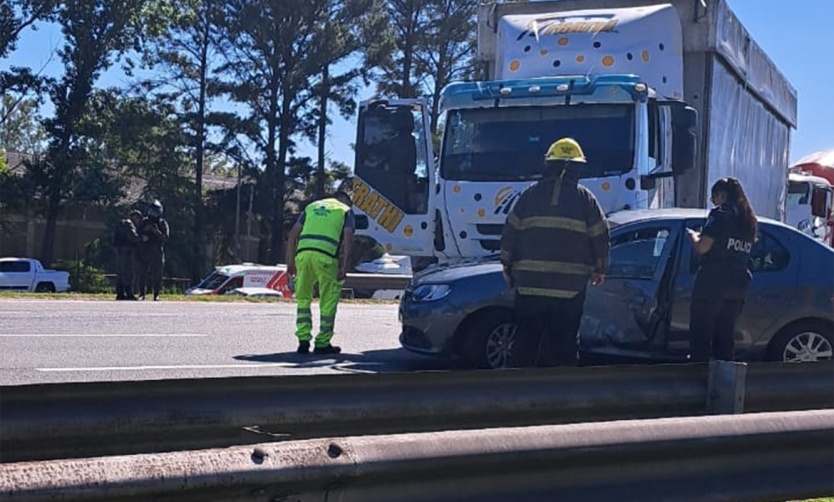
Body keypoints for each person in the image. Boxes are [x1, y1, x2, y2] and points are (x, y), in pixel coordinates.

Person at [500, 138, 610, 367]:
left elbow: (510, 234)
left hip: (529, 287)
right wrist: (600, 268)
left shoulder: (529, 196)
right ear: (578, 168)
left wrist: (507, 266)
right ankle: (561, 397)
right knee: (563, 348)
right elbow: (600, 236)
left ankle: (516, 395)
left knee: (524, 346)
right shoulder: (585, 199)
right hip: (569, 291)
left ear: (548, 164)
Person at [686, 177, 757, 362]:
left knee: (701, 335)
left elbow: (703, 247)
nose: (713, 202)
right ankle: (726, 382)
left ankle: (698, 379)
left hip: (713, 281)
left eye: (713, 197)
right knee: (725, 337)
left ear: (721, 195)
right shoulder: (748, 220)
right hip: (738, 284)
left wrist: (694, 236)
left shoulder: (720, 214)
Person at [286, 191, 355, 354]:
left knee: (303, 299)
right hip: (326, 258)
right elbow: (348, 238)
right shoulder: (345, 210)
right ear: (344, 200)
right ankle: (322, 342)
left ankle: (303, 341)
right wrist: (344, 266)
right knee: (328, 301)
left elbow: (292, 235)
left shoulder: (311, 207)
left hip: (303, 255)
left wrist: (290, 261)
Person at [137, 200, 170, 302]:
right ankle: (142, 293)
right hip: (144, 251)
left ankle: (156, 294)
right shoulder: (144, 222)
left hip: (157, 251)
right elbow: (136, 235)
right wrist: (143, 234)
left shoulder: (162, 223)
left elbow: (165, 238)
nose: (153, 213)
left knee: (157, 274)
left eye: (155, 211)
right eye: (152, 211)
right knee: (142, 273)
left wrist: (156, 232)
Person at [114, 210, 143, 300]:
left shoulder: (121, 223)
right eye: (138, 218)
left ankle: (120, 293)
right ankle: (129, 293)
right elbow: (133, 237)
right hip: (127, 252)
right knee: (128, 273)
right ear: (135, 217)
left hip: (119, 251)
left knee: (120, 273)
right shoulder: (129, 224)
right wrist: (141, 239)